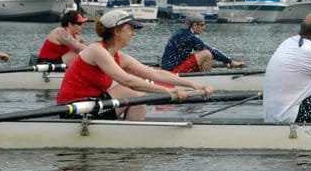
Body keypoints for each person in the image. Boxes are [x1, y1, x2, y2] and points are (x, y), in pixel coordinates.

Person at [57, 9, 214, 121]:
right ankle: (134, 136)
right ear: (117, 31)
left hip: (93, 105)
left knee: (137, 96)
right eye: (130, 29)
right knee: (133, 92)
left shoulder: (118, 55)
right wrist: (168, 91)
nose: (134, 33)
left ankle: (133, 132)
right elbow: (128, 81)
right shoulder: (96, 50)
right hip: (72, 110)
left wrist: (194, 84)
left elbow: (155, 74)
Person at [160, 13, 245, 73]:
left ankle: (202, 74)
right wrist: (230, 61)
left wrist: (225, 61)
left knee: (203, 54)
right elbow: (211, 51)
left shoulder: (182, 33)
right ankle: (205, 80)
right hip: (172, 71)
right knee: (206, 54)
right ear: (194, 25)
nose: (204, 27)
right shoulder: (190, 37)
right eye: (202, 24)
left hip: (170, 67)